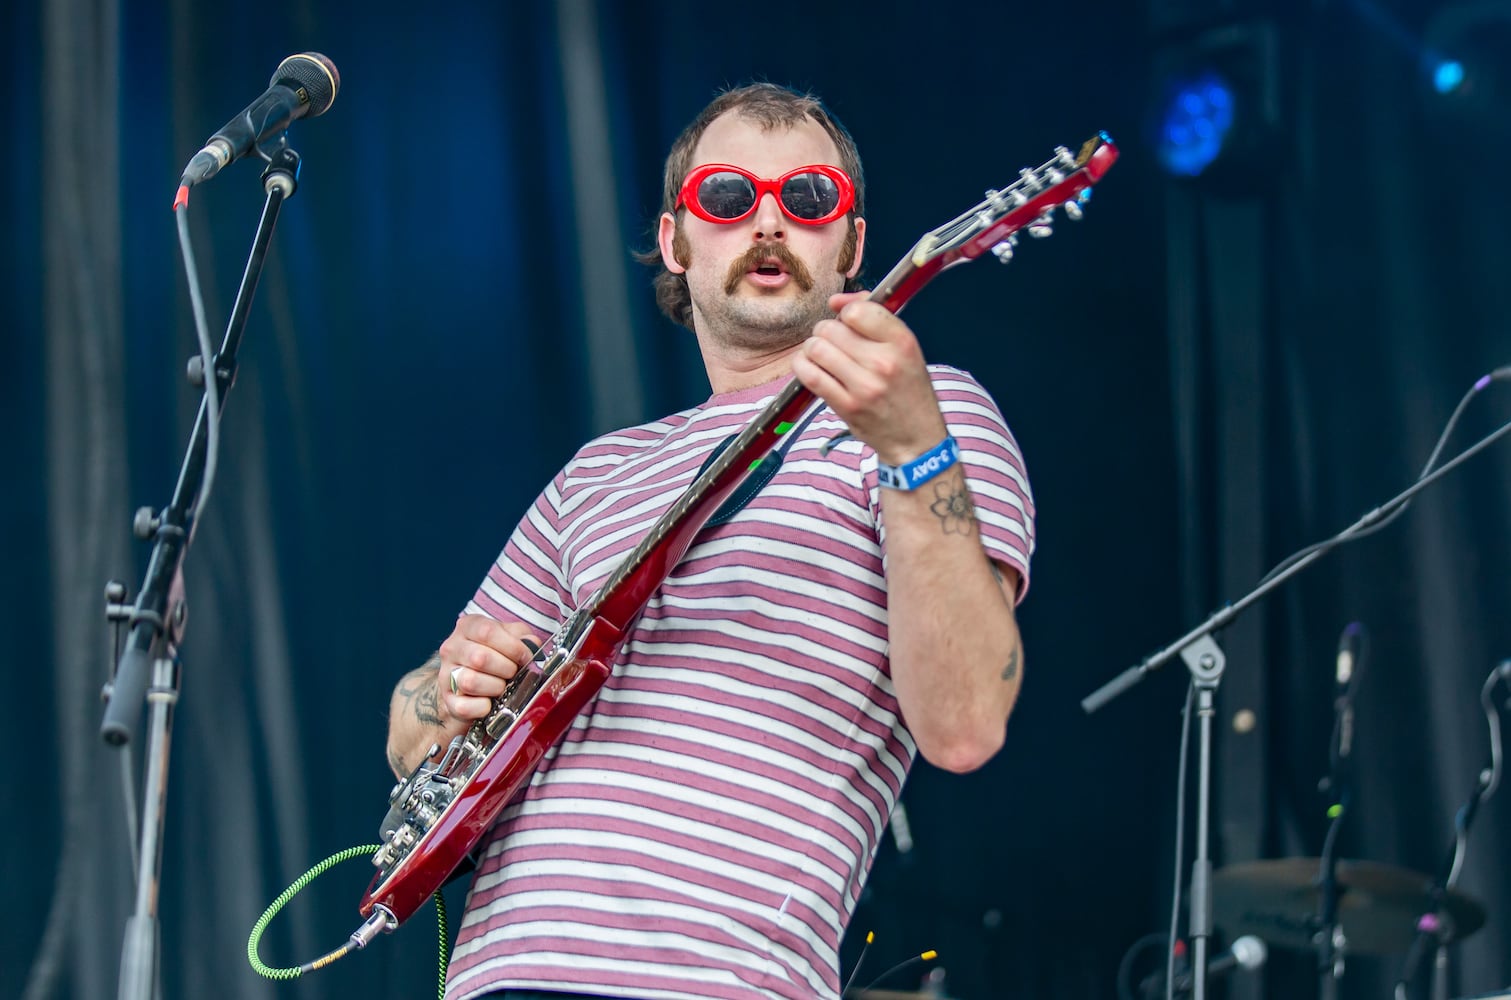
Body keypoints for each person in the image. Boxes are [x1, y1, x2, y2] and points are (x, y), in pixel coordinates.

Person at [386, 82, 1035, 1000]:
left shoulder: (932, 413)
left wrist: (910, 446)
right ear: (674, 240)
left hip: (716, 977)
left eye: (808, 197)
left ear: (850, 244)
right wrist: (449, 689)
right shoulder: (597, 471)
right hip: (499, 974)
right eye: (727, 197)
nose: (767, 220)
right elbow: (410, 731)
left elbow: (966, 722)